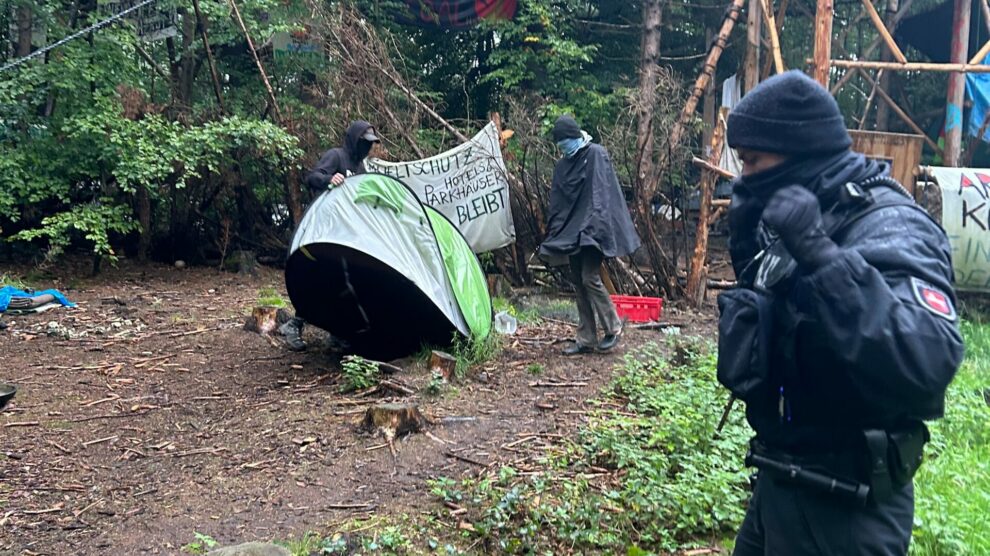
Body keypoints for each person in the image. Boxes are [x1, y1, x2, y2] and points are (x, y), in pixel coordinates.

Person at [717, 70, 964, 555]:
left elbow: (927, 358)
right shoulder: (813, 207)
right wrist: (749, 238)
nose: (746, 176)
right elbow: (784, 319)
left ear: (800, 153)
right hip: (780, 481)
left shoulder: (891, 225)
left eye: (753, 161)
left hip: (846, 513)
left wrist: (823, 257)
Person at [540, 115, 641, 355]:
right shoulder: (563, 165)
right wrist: (556, 231)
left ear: (575, 137)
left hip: (595, 228)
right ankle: (586, 338)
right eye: (560, 143)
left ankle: (613, 327)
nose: (564, 147)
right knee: (578, 281)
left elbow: (602, 194)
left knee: (589, 277)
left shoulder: (596, 154)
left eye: (566, 141)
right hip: (572, 232)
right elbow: (559, 201)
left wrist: (593, 228)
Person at [280, 120, 381, 351]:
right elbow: (312, 177)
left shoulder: (361, 168)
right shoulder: (336, 156)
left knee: (342, 282)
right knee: (321, 277)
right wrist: (329, 179)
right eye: (364, 143)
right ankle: (294, 325)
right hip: (325, 229)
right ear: (354, 140)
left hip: (346, 234)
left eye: (370, 145)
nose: (367, 148)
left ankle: (337, 333)